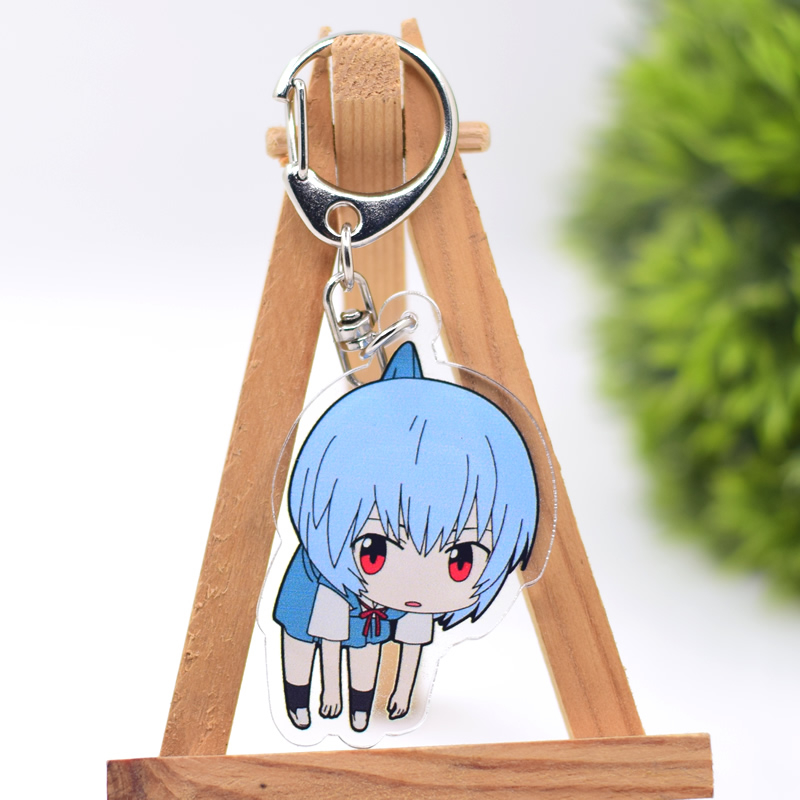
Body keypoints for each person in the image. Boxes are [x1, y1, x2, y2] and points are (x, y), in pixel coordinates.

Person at [273, 342, 538, 732]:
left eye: (461, 562)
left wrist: (401, 689)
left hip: (369, 607)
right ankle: (298, 702)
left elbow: (412, 636)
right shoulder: (320, 568)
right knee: (299, 640)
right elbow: (323, 633)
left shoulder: (412, 596)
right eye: (375, 553)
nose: (419, 584)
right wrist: (329, 689)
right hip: (319, 591)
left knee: (367, 647)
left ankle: (359, 709)